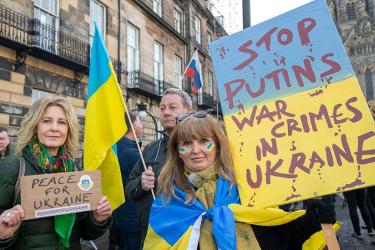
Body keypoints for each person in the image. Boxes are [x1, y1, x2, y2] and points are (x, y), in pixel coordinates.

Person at [144, 111, 337, 249]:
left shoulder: (246, 188)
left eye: (204, 141)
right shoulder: (168, 200)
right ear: (178, 151)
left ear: (218, 145)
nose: (196, 150)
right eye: (186, 143)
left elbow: (284, 238)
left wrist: (312, 220)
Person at [0, 96, 113, 249]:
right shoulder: (13, 167)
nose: (54, 128)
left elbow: (85, 233)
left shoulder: (75, 169)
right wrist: (4, 234)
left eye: (61, 122)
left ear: (68, 129)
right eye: (46, 121)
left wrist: (98, 219)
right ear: (35, 126)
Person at [125, 88, 192, 246]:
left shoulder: (199, 149)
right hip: (151, 234)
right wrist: (141, 184)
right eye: (162, 108)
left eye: (172, 107)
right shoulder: (150, 149)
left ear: (188, 111)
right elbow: (130, 188)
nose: (166, 112)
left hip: (187, 236)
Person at [110, 111, 143, 250]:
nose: (142, 126)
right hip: (132, 216)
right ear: (135, 126)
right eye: (140, 122)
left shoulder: (115, 148)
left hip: (117, 213)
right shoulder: (134, 154)